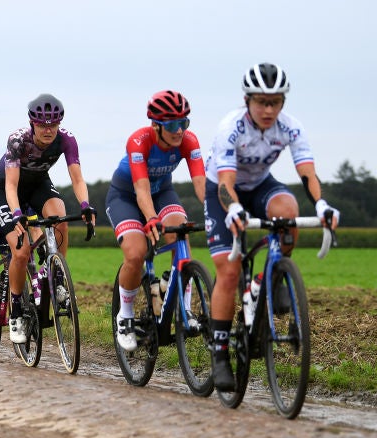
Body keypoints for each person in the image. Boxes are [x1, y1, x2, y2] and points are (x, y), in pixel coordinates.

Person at [205, 63, 340, 390]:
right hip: (223, 191)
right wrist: (234, 208)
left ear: (283, 102)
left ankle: (272, 275)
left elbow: (307, 173)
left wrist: (321, 205)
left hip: (261, 185)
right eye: (262, 102)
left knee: (288, 210)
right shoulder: (231, 127)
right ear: (247, 100)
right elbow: (226, 182)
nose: (268, 109)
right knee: (229, 270)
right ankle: (219, 355)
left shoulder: (291, 128)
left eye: (275, 102)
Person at [0, 95, 96, 344]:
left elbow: (77, 178)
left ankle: (57, 279)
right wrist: (16, 215)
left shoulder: (67, 139)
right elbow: (11, 186)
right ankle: (15, 310)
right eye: (43, 125)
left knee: (60, 218)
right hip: (7, 188)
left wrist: (86, 206)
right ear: (32, 123)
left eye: (53, 124)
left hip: (38, 184)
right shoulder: (17, 140)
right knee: (21, 252)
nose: (48, 130)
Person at [106, 90, 206, 352]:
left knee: (180, 232)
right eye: (172, 125)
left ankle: (184, 309)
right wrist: (150, 219)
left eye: (184, 123)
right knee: (136, 253)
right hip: (126, 196)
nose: (179, 131)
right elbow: (141, 189)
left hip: (162, 192)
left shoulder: (189, 141)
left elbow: (201, 183)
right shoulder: (139, 141)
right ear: (156, 126)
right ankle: (125, 316)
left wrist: (217, 210)